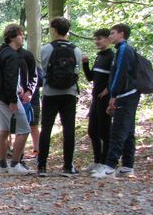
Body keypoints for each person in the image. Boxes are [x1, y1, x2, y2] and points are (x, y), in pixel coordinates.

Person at [92, 24, 141, 179]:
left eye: (112, 33)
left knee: (118, 130)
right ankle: (127, 166)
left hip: (126, 96)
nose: (110, 36)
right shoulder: (122, 50)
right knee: (128, 131)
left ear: (122, 34)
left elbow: (120, 74)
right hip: (127, 95)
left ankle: (110, 166)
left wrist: (113, 95)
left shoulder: (124, 50)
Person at [37, 17, 83, 177]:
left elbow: (43, 69)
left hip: (50, 93)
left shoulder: (46, 49)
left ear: (54, 30)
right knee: (68, 129)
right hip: (69, 93)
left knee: (46, 129)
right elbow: (77, 71)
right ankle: (68, 166)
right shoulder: (76, 50)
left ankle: (42, 166)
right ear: (67, 30)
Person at [0, 24, 31, 175]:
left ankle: (2, 164)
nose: (23, 38)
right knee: (24, 129)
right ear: (13, 37)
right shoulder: (12, 55)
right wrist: (13, 99)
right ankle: (14, 164)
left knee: (4, 130)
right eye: (21, 35)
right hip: (8, 98)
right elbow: (10, 78)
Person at [82, 29, 114, 173]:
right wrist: (85, 64)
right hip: (96, 98)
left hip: (105, 99)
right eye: (95, 39)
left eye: (99, 39)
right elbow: (91, 78)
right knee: (92, 130)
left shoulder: (112, 56)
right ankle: (97, 161)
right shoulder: (99, 57)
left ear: (108, 39)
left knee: (104, 131)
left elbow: (116, 76)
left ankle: (104, 163)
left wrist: (108, 89)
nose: (97, 42)